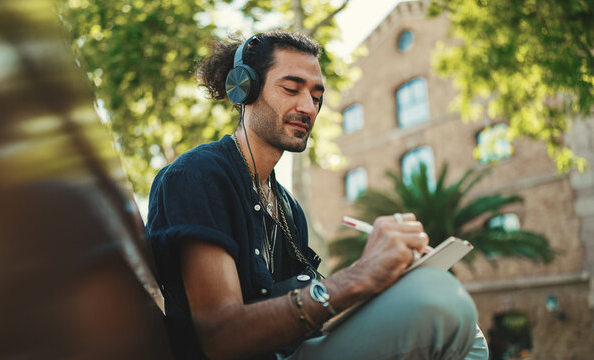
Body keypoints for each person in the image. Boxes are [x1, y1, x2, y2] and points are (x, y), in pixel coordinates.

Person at [147, 30, 488, 360]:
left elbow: (302, 316)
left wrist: (383, 277)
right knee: (442, 301)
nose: (308, 107)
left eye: (316, 95)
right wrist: (358, 276)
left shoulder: (287, 207)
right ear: (244, 90)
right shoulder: (196, 177)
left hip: (296, 349)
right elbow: (220, 339)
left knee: (461, 321)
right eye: (291, 89)